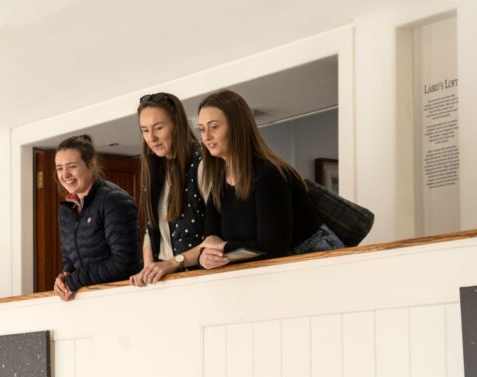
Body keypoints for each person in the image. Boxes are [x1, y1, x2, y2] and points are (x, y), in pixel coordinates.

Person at [195, 89, 343, 270]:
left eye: (214, 127)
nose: (206, 137)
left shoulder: (268, 174)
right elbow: (209, 240)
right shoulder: (218, 185)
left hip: (317, 256)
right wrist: (205, 258)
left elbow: (273, 247)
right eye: (202, 129)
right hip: (278, 267)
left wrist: (223, 247)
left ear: (237, 126)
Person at [129, 93, 207, 287]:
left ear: (177, 125)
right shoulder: (155, 168)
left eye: (159, 128)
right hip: (166, 280)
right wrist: (149, 267)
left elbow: (218, 232)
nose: (151, 138)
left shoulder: (202, 162)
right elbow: (151, 228)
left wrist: (174, 263)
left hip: (198, 277)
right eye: (145, 130)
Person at [53, 135, 140, 301]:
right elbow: (70, 262)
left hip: (123, 297)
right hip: (88, 300)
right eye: (59, 168)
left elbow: (123, 263)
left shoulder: (114, 199)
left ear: (91, 164)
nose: (65, 174)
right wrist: (64, 278)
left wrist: (75, 280)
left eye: (72, 166)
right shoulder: (66, 210)